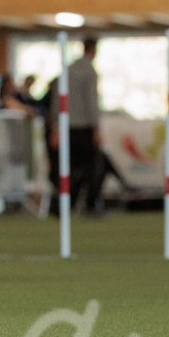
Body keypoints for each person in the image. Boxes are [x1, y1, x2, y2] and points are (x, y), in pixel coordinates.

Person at [66, 38, 102, 214]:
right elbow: (91, 102)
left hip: (68, 126)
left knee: (71, 167)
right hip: (85, 127)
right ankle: (90, 204)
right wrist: (96, 128)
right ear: (93, 49)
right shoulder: (90, 71)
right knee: (92, 167)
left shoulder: (69, 69)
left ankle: (68, 203)